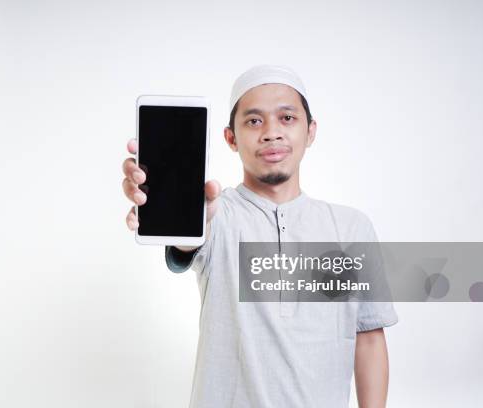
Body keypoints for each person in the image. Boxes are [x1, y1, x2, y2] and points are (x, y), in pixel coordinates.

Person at [122, 65, 398, 408]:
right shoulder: (217, 214)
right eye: (254, 121)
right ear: (230, 138)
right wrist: (178, 210)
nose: (271, 133)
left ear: (310, 131)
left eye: (287, 118)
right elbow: (190, 241)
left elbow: (369, 337)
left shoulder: (351, 228)